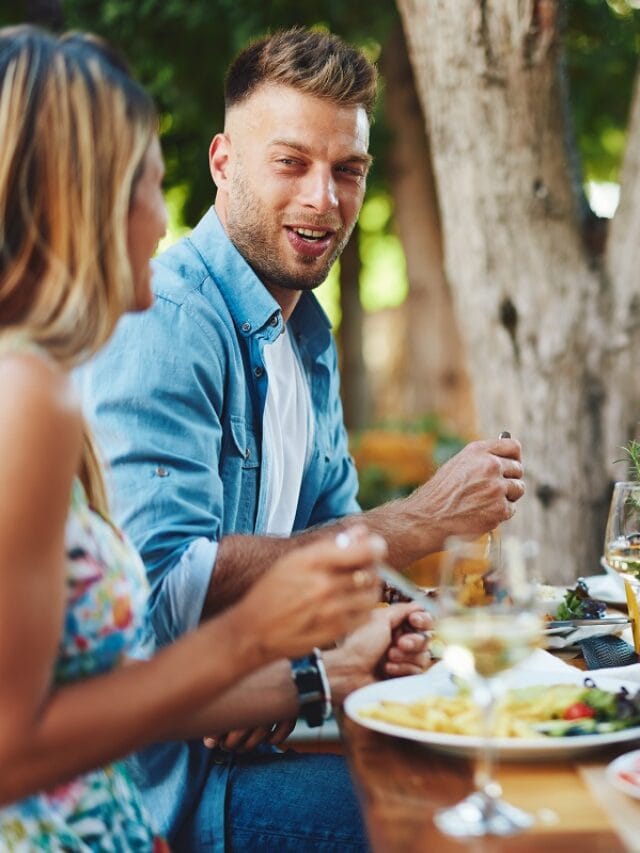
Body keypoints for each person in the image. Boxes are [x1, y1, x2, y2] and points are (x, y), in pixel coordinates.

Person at [79, 27, 524, 850]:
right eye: (291, 162)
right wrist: (421, 519)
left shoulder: (307, 336)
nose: (324, 198)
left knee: (508, 770)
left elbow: (342, 569)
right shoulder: (167, 321)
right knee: (461, 815)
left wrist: (361, 639)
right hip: (165, 784)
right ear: (223, 163)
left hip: (255, 731)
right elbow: (163, 592)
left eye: (347, 169)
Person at [0, 25, 429, 852]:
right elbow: (16, 745)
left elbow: (106, 686)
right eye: (145, 184)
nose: (164, 218)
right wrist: (256, 637)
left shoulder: (40, 384)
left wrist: (317, 673)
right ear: (77, 200)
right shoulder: (29, 395)